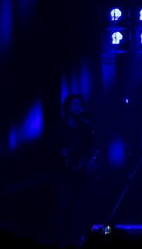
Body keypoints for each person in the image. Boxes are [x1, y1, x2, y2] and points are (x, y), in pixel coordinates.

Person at [56, 93, 97, 247]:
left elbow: (90, 148)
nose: (78, 107)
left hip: (81, 174)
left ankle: (81, 238)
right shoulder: (59, 127)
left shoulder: (85, 128)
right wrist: (62, 154)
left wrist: (82, 161)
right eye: (74, 104)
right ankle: (65, 241)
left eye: (80, 104)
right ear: (67, 107)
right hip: (63, 174)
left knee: (82, 207)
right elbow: (50, 148)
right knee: (65, 206)